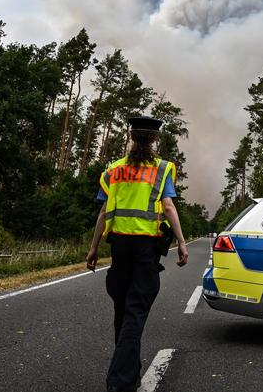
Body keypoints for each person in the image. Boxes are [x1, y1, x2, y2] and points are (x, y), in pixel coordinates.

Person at [86, 115, 189, 392]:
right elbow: (167, 206)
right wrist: (181, 241)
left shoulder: (114, 170)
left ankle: (128, 376)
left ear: (131, 137)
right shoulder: (162, 168)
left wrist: (93, 247)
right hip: (146, 250)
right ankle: (119, 382)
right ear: (155, 139)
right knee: (135, 312)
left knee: (123, 311)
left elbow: (104, 211)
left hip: (119, 248)